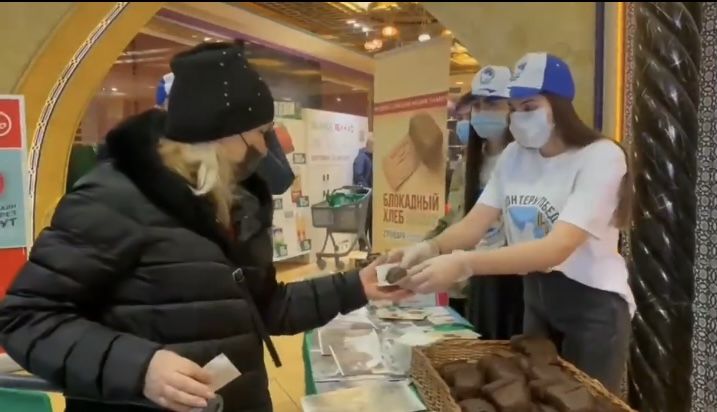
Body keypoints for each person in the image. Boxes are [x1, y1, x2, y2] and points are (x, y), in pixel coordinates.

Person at [0, 42, 409, 412]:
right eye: (262, 133)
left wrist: (356, 286)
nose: (266, 149)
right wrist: (141, 368)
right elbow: (26, 318)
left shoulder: (238, 202)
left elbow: (265, 307)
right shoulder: (113, 199)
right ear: (222, 133)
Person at [391, 52, 632, 393]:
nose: (519, 118)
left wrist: (464, 264)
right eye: (515, 108)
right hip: (536, 297)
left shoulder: (601, 156)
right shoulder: (514, 156)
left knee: (586, 400)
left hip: (592, 305)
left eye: (530, 106)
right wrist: (430, 247)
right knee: (530, 394)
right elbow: (475, 223)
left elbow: (556, 248)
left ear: (560, 106)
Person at [353, 134, 374, 250]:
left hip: (370, 195)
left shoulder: (370, 157)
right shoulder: (362, 158)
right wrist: (368, 190)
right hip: (365, 196)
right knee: (365, 222)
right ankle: (363, 247)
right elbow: (359, 177)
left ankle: (372, 246)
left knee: (371, 223)